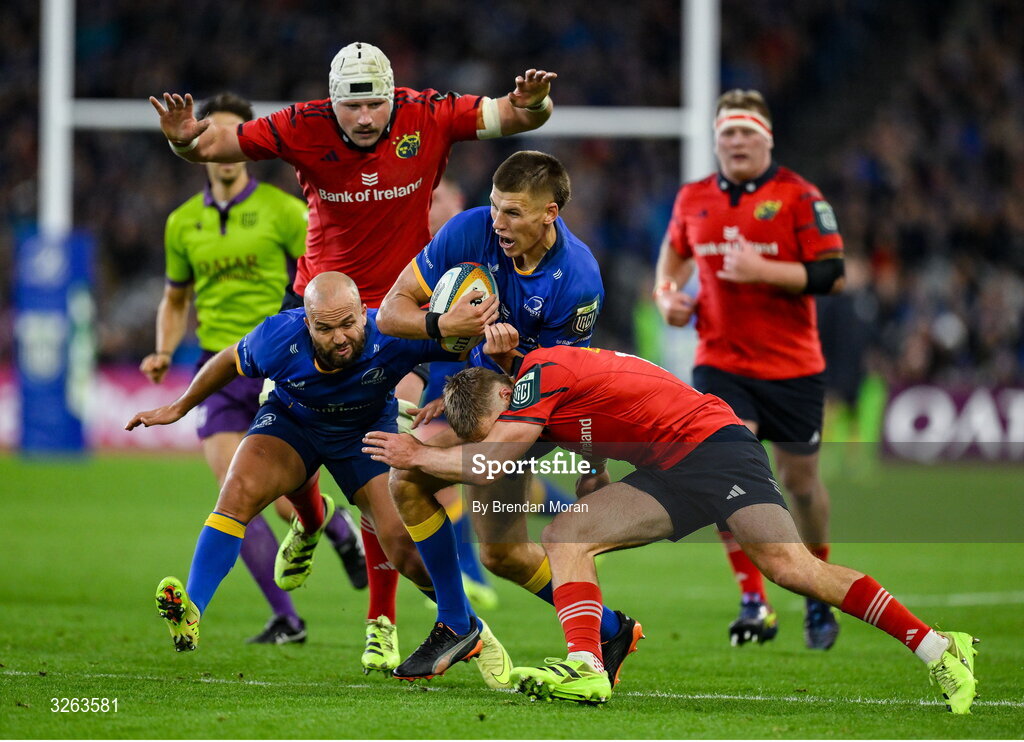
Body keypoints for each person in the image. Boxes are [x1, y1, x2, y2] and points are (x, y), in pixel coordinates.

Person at [149, 41, 558, 672]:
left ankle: (394, 621)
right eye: (352, 105)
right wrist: (180, 142)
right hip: (326, 312)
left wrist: (535, 104)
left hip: (398, 318)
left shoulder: (431, 113)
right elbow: (206, 148)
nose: (365, 117)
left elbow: (516, 116)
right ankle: (311, 531)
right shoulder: (301, 124)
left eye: (375, 103)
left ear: (393, 96)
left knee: (390, 492)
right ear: (331, 101)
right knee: (275, 458)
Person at [362, 340, 980, 713]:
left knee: (792, 568)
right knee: (566, 534)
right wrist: (596, 467)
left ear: (505, 393)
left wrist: (416, 455)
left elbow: (497, 456)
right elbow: (611, 398)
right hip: (667, 467)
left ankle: (939, 647)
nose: (502, 437)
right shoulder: (541, 389)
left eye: (497, 423)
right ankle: (587, 668)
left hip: (716, 447)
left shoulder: (534, 376)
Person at [126, 272, 513, 690]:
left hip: (364, 435)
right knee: (236, 493)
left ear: (362, 315)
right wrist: (180, 407)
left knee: (404, 549)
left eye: (348, 323)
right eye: (325, 328)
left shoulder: (392, 332)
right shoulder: (278, 336)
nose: (340, 337)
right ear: (306, 322)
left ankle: (474, 632)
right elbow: (227, 360)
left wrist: (471, 375)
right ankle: (192, 613)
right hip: (294, 425)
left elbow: (468, 350)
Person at [370, 151, 639, 686]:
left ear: (551, 214)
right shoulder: (469, 231)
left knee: (410, 474)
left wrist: (510, 363)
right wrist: (444, 323)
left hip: (538, 411)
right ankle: (609, 629)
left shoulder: (577, 278)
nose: (498, 223)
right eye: (495, 207)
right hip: (485, 397)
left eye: (513, 213)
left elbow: (562, 384)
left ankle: (456, 623)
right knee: (503, 554)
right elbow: (389, 312)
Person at [139, 92, 363, 645]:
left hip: (275, 365)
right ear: (201, 145)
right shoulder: (181, 224)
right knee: (233, 490)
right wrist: (165, 350)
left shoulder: (286, 213)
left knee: (282, 506)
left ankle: (330, 528)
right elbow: (174, 298)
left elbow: (320, 277)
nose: (228, 152)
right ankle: (284, 616)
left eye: (238, 138)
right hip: (217, 366)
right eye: (216, 138)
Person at [653, 89, 845, 649]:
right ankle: (753, 599)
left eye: (747, 133)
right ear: (716, 141)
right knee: (725, 467)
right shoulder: (693, 198)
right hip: (721, 361)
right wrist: (668, 297)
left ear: (767, 139)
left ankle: (816, 589)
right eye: (727, 133)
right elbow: (670, 264)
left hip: (793, 367)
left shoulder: (800, 197)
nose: (736, 142)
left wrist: (767, 269)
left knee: (800, 484)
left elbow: (833, 274)